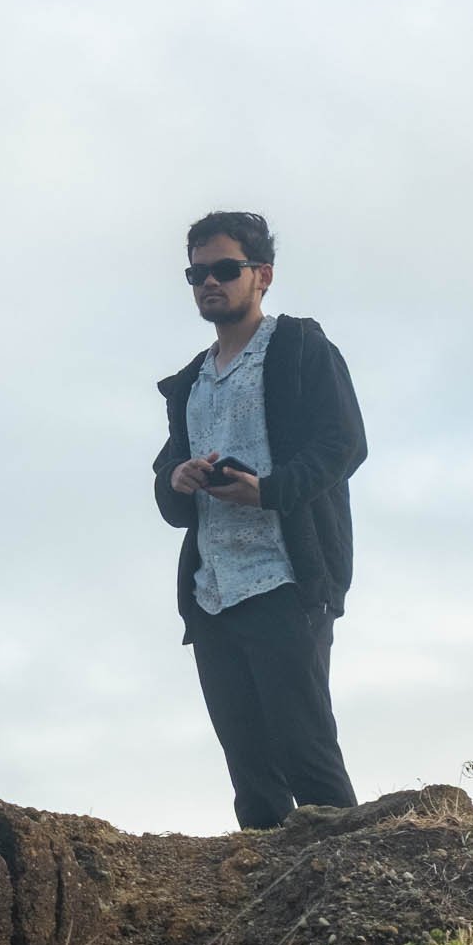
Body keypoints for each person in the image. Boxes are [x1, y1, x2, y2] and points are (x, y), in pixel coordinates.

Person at [152, 211, 365, 829]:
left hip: (285, 577)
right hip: (212, 592)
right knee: (250, 774)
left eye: (224, 269)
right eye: (197, 273)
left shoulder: (299, 347)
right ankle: (278, 922)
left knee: (307, 756)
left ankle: (350, 906)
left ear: (262, 275)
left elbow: (343, 444)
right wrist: (180, 478)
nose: (208, 283)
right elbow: (167, 482)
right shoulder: (190, 382)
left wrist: (267, 490)